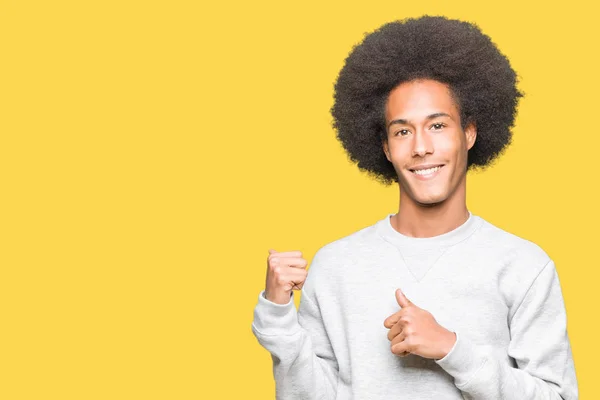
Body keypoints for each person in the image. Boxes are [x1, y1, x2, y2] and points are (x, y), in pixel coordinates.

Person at [251, 15, 578, 400]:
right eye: (403, 131)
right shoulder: (336, 265)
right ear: (387, 148)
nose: (421, 147)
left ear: (469, 133)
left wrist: (453, 350)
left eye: (437, 126)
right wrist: (278, 316)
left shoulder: (523, 266)